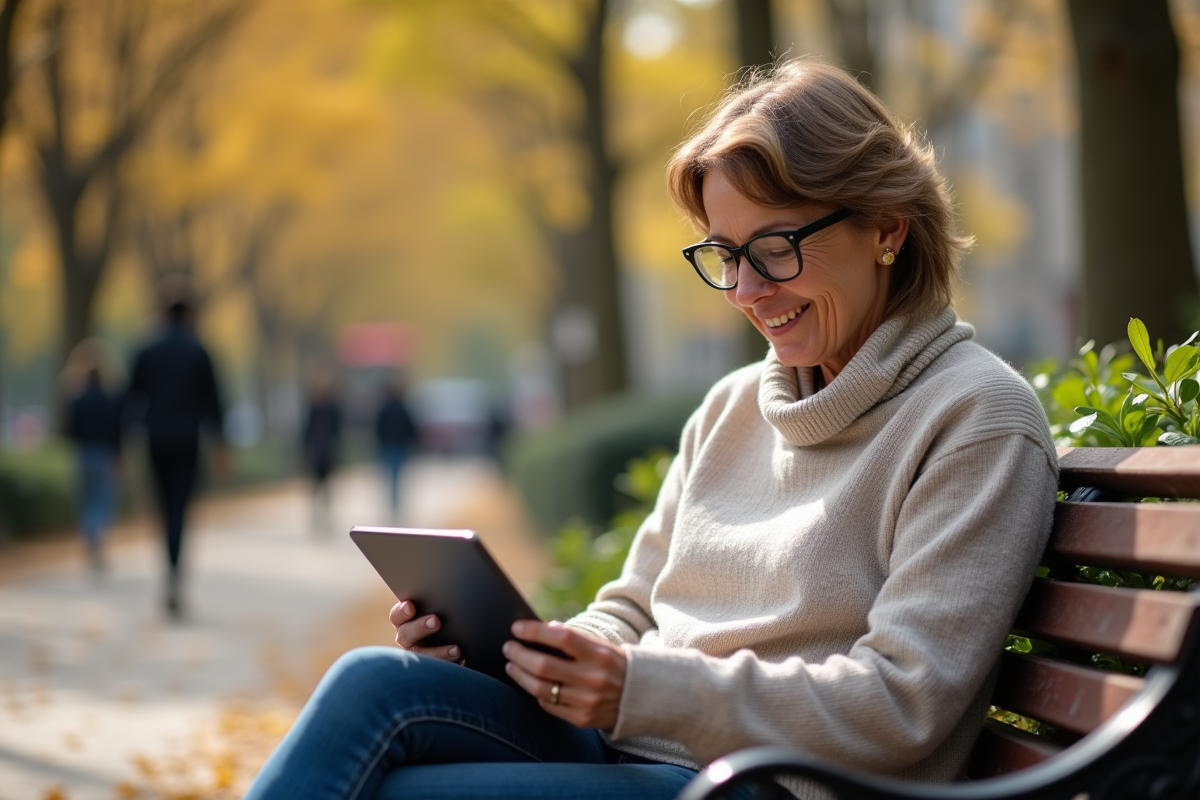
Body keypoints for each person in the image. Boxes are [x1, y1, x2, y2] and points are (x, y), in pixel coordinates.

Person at [244, 60, 1058, 800]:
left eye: (773, 249)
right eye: (724, 255)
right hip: (652, 755)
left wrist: (640, 688)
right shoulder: (733, 407)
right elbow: (631, 610)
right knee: (374, 684)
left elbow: (901, 705)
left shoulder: (976, 419)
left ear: (887, 228)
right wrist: (540, 653)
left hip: (778, 787)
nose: (744, 289)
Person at [123, 281, 229, 618]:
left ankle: (168, 570)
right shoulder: (199, 351)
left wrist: (122, 441)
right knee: (180, 508)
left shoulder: (146, 350)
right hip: (187, 441)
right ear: (189, 313)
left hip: (155, 439)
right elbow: (214, 402)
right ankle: (174, 573)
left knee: (163, 507)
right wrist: (221, 446)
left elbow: (132, 397)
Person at [65, 357, 123, 575]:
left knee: (86, 499)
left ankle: (90, 540)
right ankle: (97, 540)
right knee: (102, 500)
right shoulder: (110, 400)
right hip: (104, 453)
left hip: (82, 454)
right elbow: (117, 431)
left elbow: (70, 431)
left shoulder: (77, 400)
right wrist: (118, 456)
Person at [302, 370, 343, 534]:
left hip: (328, 452)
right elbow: (306, 431)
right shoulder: (314, 407)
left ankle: (326, 516)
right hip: (316, 452)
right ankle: (316, 516)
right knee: (315, 487)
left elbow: (338, 432)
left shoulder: (333, 408)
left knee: (327, 487)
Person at [374, 380, 417, 519]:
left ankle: (393, 504)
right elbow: (410, 429)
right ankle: (395, 505)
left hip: (388, 446)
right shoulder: (403, 409)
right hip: (399, 447)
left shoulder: (384, 409)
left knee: (390, 477)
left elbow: (378, 428)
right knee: (397, 478)